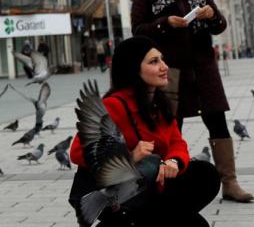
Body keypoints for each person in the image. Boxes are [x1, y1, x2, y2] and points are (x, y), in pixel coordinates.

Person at [130, 0, 253, 203]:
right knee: (170, 127)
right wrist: (165, 23)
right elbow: (137, 30)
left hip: (202, 68)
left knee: (217, 122)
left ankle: (229, 183)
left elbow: (219, 25)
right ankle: (164, 187)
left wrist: (211, 16)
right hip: (168, 70)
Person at [68, 37, 219, 227]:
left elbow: (176, 142)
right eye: (154, 62)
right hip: (119, 195)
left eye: (162, 59)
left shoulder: (160, 103)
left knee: (205, 174)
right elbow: (76, 152)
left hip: (151, 186)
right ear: (134, 69)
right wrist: (129, 156)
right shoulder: (114, 105)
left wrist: (173, 161)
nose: (164, 66)